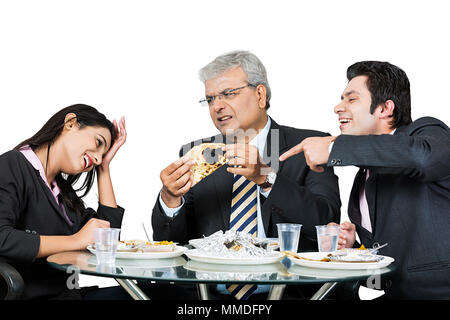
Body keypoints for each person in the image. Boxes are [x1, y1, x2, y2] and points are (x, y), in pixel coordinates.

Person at [150, 50, 341, 300]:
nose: (217, 106)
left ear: (260, 94)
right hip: (208, 295)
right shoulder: (198, 153)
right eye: (210, 99)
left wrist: (266, 177)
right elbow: (171, 245)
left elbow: (325, 223)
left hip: (286, 292)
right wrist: (170, 199)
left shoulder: (307, 145)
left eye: (228, 94)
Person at [279, 61, 450, 299]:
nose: (338, 107)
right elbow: (384, 265)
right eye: (341, 99)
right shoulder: (364, 175)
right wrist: (354, 248)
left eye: (351, 99)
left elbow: (421, 158)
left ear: (384, 109)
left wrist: (332, 149)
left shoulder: (427, 134)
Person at [0, 104, 127, 299]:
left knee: (167, 293)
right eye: (98, 143)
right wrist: (74, 241)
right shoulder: (12, 165)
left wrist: (104, 169)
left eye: (102, 156)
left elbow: (107, 242)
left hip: (72, 295)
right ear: (70, 123)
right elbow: (2, 238)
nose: (98, 159)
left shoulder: (64, 194)